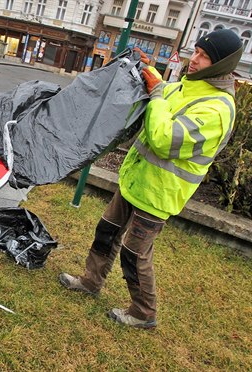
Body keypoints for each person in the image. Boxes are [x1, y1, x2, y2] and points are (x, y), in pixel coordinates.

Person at [58, 29, 243, 329]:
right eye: (195, 51)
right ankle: (90, 281)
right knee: (106, 231)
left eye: (203, 56)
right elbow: (162, 92)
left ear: (221, 64)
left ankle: (144, 312)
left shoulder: (218, 109)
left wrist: (157, 91)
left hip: (159, 194)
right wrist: (147, 69)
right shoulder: (187, 87)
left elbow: (163, 137)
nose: (193, 60)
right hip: (136, 180)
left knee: (134, 253)